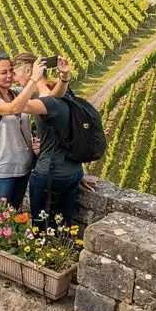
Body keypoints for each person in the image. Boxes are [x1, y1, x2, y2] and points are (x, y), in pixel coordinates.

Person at [28, 58, 97, 226]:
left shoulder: (47, 102)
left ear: (30, 72)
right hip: (71, 172)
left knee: (41, 230)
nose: (13, 78)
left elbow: (13, 108)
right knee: (63, 229)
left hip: (51, 175)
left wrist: (33, 81)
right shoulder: (63, 96)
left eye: (15, 72)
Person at [0, 54, 46, 208]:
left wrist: (63, 78)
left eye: (11, 71)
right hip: (2, 170)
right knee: (0, 222)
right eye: (3, 72)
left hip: (24, 167)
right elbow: (13, 108)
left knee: (14, 218)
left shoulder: (16, 93)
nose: (9, 76)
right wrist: (33, 79)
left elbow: (46, 94)